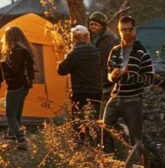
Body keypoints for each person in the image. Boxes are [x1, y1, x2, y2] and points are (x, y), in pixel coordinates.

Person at [101, 15, 153, 154]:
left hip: (133, 99)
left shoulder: (142, 53)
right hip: (116, 96)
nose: (127, 32)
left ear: (134, 30)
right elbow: (109, 74)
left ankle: (137, 167)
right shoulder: (115, 51)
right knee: (105, 128)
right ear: (119, 31)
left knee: (135, 138)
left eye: (130, 29)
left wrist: (130, 75)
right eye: (124, 30)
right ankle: (108, 160)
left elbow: (149, 79)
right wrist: (113, 76)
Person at [56, 25, 102, 141]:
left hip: (80, 94)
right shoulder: (96, 52)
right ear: (87, 37)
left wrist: (66, 56)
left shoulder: (74, 54)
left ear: (75, 39)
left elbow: (61, 70)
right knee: (95, 121)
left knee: (78, 122)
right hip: (97, 92)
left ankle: (80, 145)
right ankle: (96, 145)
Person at [0, 26, 35, 150]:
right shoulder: (24, 50)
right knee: (17, 116)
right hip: (24, 87)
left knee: (10, 116)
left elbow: (14, 70)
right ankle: (12, 139)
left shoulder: (16, 52)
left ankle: (22, 140)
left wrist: (2, 64)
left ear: (10, 38)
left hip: (15, 87)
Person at [89, 12, 119, 103]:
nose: (93, 26)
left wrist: (108, 78)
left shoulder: (111, 40)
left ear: (102, 26)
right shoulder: (92, 37)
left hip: (106, 81)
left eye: (96, 24)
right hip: (96, 80)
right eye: (91, 24)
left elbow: (112, 61)